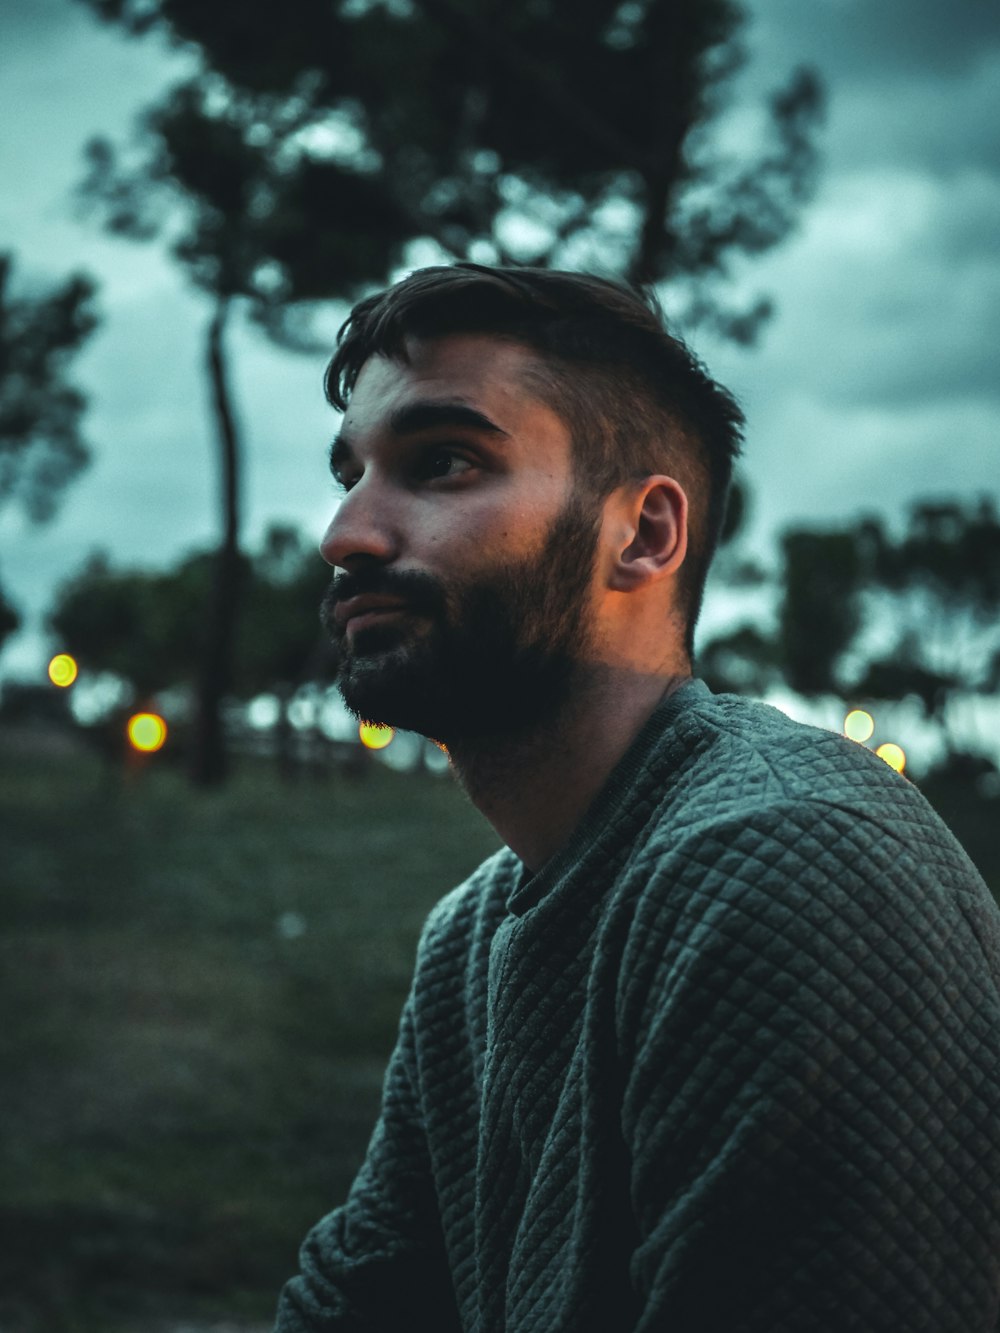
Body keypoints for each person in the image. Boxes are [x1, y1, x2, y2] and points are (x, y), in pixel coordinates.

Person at [275, 264, 1000, 1332]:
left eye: (442, 463)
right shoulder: (472, 932)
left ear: (645, 535)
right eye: (351, 474)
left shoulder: (785, 864)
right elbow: (361, 1297)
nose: (346, 534)